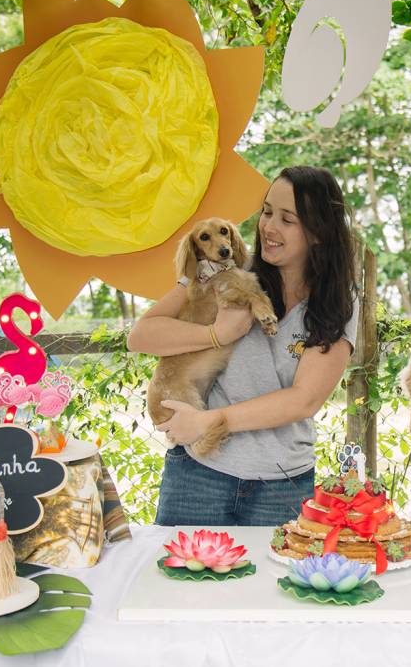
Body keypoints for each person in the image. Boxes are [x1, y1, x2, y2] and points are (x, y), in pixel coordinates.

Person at [127, 166, 358, 526]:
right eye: (267, 212)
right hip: (200, 472)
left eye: (287, 219)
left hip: (283, 484)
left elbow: (304, 400)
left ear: (318, 233)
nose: (269, 227)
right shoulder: (223, 268)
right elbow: (141, 335)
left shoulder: (336, 302)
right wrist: (215, 335)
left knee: (275, 567)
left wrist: (207, 422)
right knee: (181, 565)